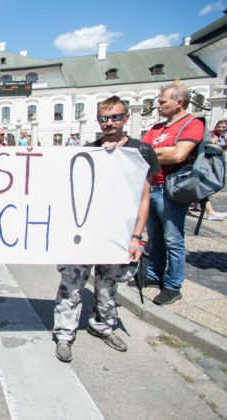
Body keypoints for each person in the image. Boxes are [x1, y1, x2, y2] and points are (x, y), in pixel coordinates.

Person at [53, 96, 160, 363]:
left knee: (108, 284)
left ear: (126, 118)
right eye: (103, 118)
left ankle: (102, 325)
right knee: (71, 284)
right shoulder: (88, 151)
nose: (109, 123)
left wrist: (137, 236)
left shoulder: (142, 152)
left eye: (114, 117)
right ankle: (64, 334)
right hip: (85, 231)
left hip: (120, 233)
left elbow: (144, 197)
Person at [142, 83, 204, 305]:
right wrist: (164, 151)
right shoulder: (157, 127)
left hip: (172, 189)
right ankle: (153, 274)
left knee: (173, 239)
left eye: (162, 101)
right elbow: (141, 151)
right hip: (152, 186)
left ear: (179, 102)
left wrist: (155, 153)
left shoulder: (192, 124)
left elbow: (179, 156)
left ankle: (172, 285)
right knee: (155, 236)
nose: (157, 105)